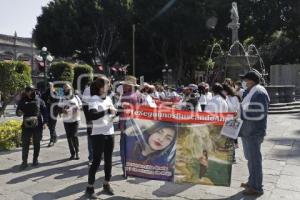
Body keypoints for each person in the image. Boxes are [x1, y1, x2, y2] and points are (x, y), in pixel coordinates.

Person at [239, 71, 270, 196]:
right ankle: (252, 182)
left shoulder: (259, 92)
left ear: (251, 81)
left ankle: (257, 187)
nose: (244, 83)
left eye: (246, 80)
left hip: (254, 132)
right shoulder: (252, 91)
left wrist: (239, 113)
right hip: (248, 131)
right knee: (250, 159)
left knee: (254, 160)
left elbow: (259, 113)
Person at [85, 76, 117, 198]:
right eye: (107, 83)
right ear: (100, 87)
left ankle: (106, 184)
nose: (109, 85)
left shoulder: (108, 98)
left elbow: (112, 113)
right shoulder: (94, 99)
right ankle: (90, 187)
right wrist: (107, 112)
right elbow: (92, 116)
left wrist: (117, 112)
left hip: (110, 132)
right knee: (97, 161)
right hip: (98, 134)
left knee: (109, 160)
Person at [16, 86, 48, 170]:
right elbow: (18, 111)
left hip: (37, 125)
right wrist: (19, 112)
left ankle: (35, 160)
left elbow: (45, 111)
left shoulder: (39, 100)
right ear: (26, 92)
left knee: (36, 143)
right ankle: (24, 162)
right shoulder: (23, 100)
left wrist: (45, 122)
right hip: (26, 125)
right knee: (25, 144)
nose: (29, 92)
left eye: (31, 90)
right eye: (28, 91)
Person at [118, 75, 140, 178]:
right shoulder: (138, 95)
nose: (123, 86)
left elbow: (124, 113)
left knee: (124, 149)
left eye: (125, 85)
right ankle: (132, 169)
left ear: (129, 86)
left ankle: (126, 171)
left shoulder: (126, 96)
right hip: (135, 124)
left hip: (127, 125)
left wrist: (121, 126)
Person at [58, 83, 82, 160]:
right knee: (69, 137)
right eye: (64, 88)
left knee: (74, 136)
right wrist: (62, 110)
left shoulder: (76, 97)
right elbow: (58, 108)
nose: (66, 89)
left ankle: (77, 152)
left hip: (75, 119)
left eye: (67, 88)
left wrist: (77, 109)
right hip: (66, 121)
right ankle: (72, 153)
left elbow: (81, 106)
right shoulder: (62, 98)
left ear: (71, 88)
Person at [41, 82, 59, 147]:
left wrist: (51, 102)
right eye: (48, 86)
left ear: (53, 86)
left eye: (50, 86)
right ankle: (55, 137)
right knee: (50, 126)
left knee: (52, 126)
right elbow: (41, 101)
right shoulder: (44, 94)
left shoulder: (55, 94)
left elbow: (57, 103)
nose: (49, 87)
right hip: (46, 112)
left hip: (54, 112)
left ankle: (52, 140)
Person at [82, 84, 93, 164]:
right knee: (91, 137)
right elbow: (84, 105)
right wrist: (88, 119)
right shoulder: (88, 90)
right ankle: (91, 157)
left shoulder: (105, 90)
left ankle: (100, 154)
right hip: (91, 118)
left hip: (102, 120)